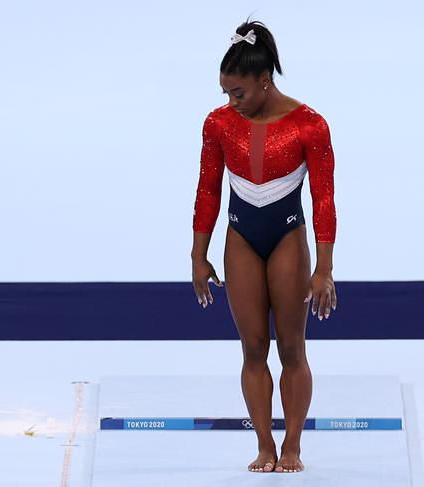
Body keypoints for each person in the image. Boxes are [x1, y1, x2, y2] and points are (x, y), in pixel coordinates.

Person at [191, 18, 338, 473]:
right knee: (253, 348)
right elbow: (208, 191)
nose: (231, 102)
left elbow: (324, 199)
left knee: (291, 348)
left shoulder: (309, 125)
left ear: (264, 79)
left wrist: (325, 269)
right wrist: (198, 256)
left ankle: (292, 445)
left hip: (287, 238)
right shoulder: (217, 124)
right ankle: (263, 445)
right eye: (225, 94)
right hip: (242, 239)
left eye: (238, 93)